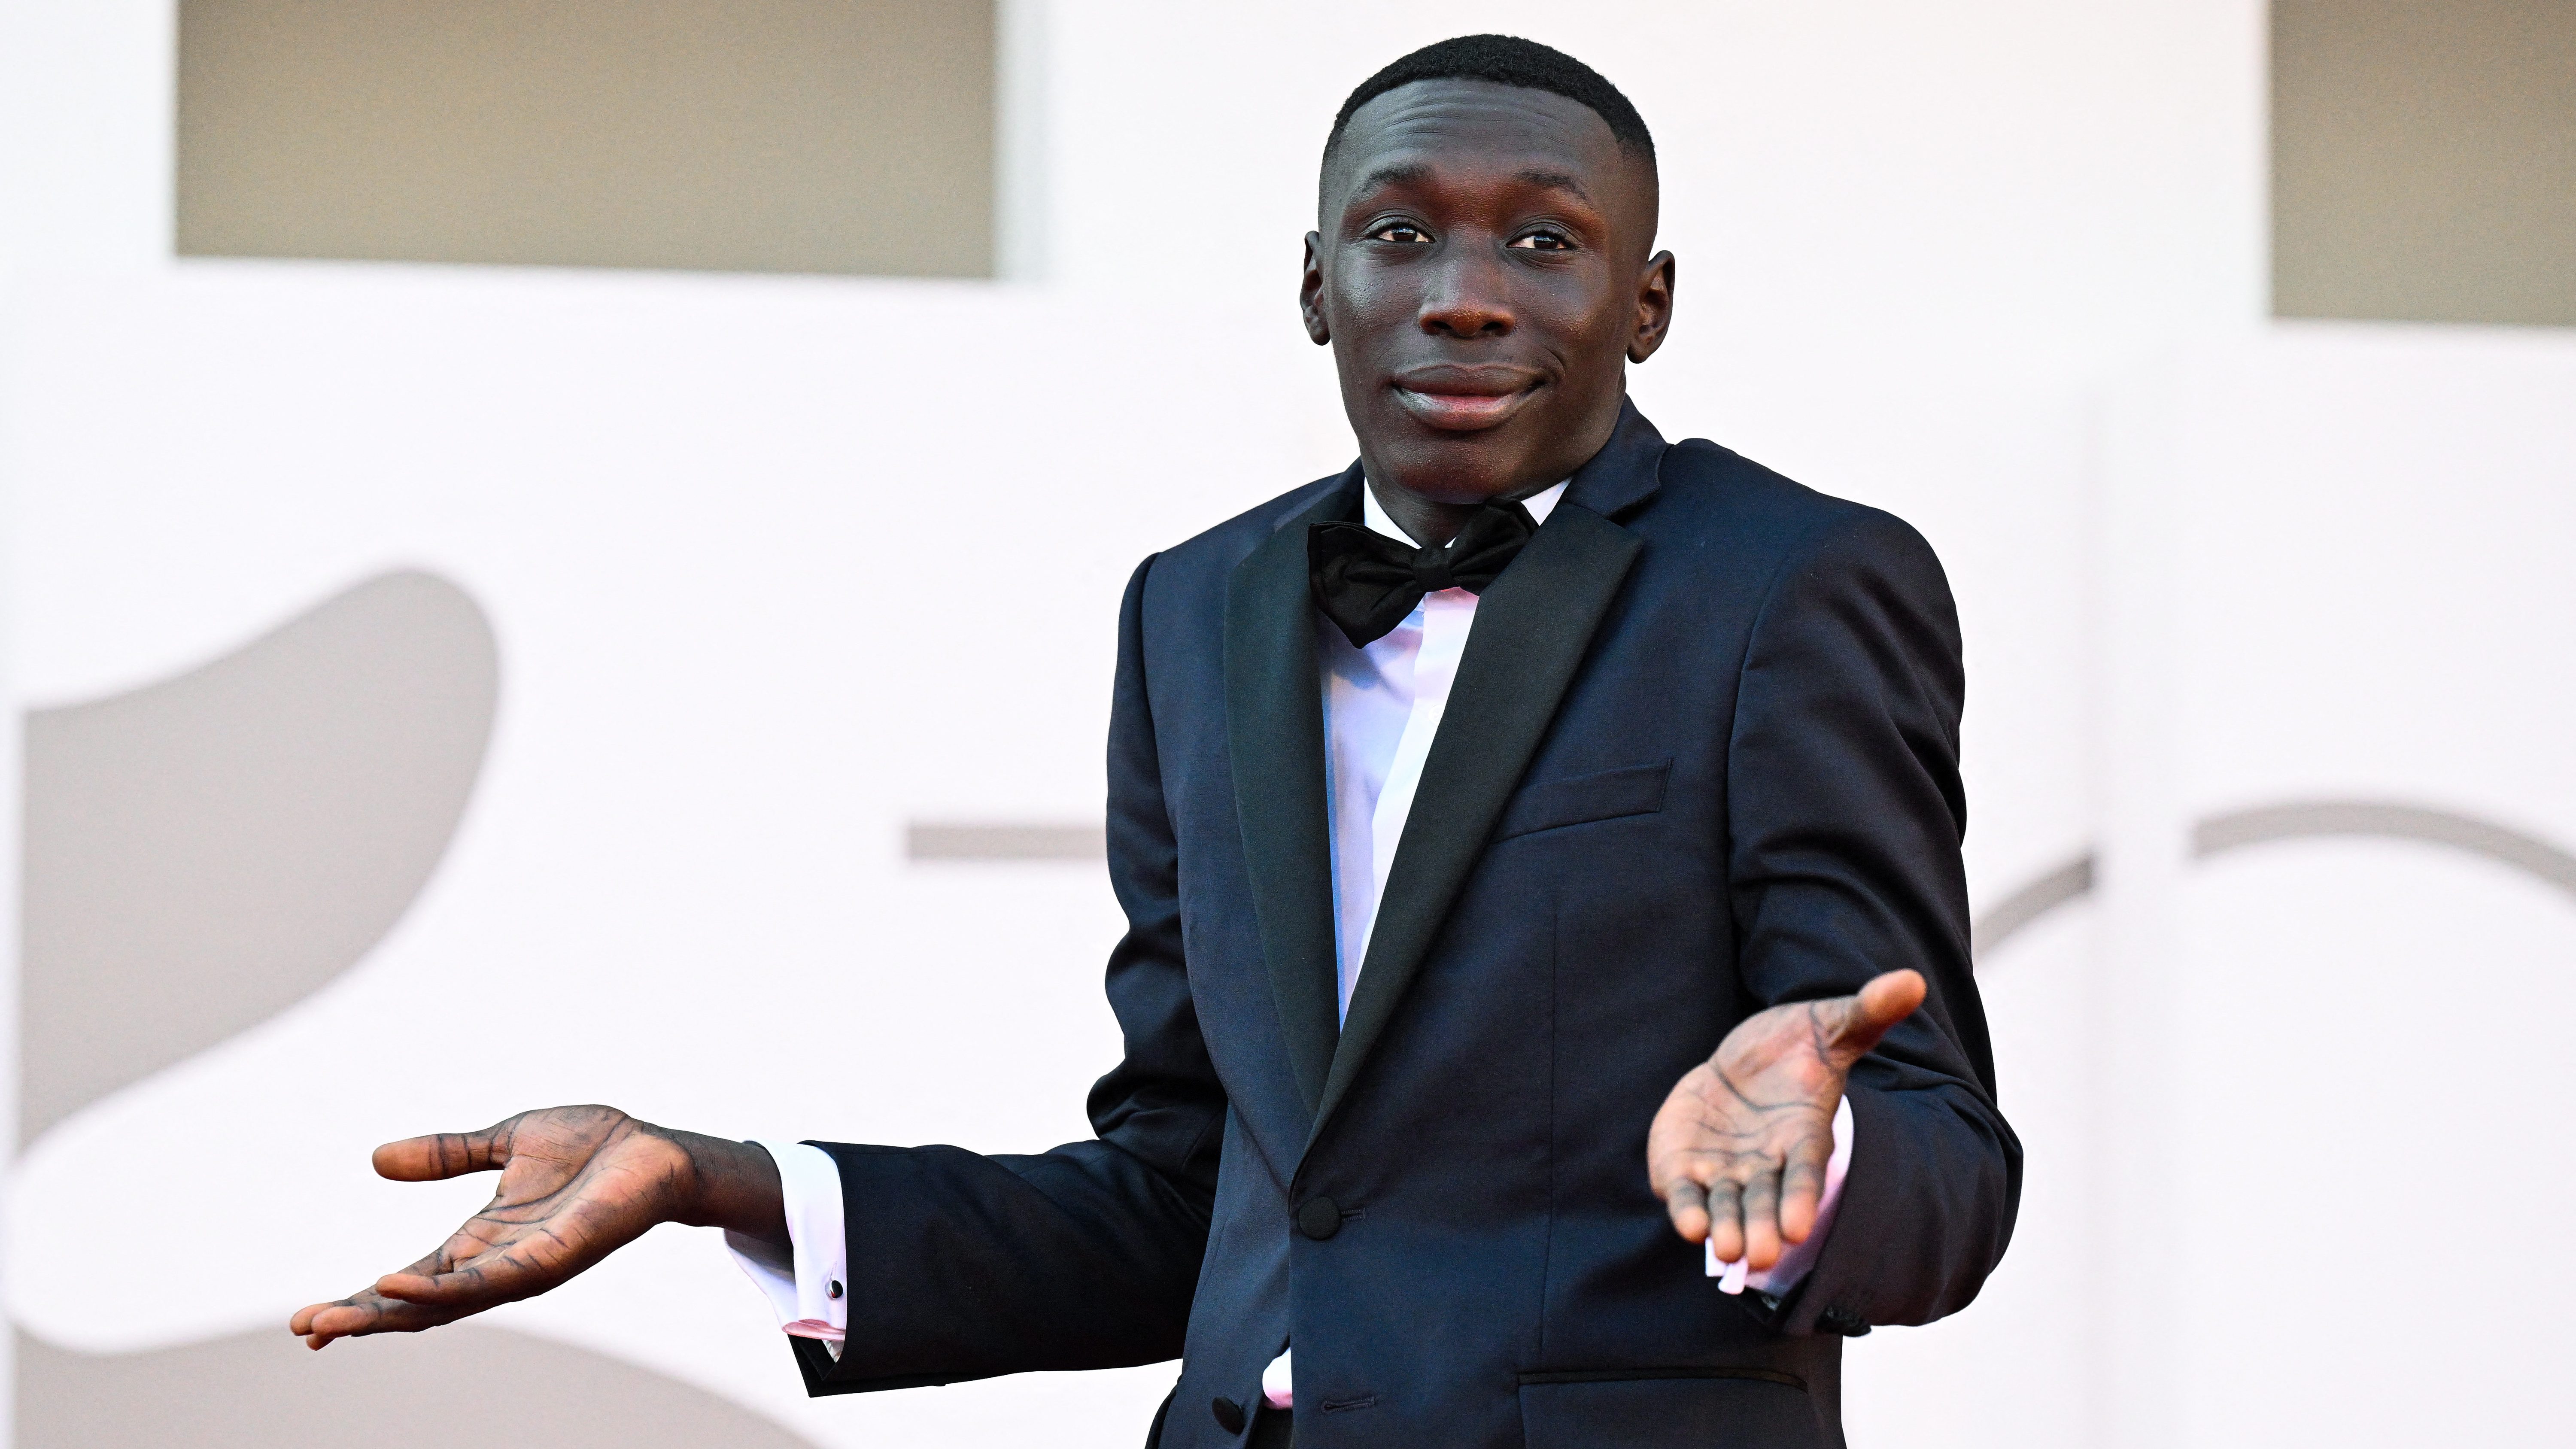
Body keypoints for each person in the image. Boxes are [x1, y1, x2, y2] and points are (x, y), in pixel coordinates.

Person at [293, 34, 2017, 1448]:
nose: (1465, 297)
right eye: (1400, 234)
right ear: (1316, 284)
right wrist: (720, 1182)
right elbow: (1191, 1190)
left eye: (1544, 244)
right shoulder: (1198, 610)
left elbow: (1942, 1150)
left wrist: (1819, 1165)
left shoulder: (1792, 583)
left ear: (1647, 304)